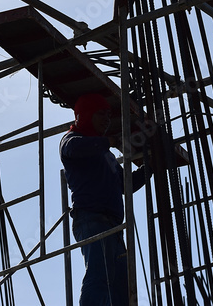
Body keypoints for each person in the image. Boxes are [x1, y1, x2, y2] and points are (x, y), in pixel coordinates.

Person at [60, 93, 149, 306]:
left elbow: (124, 185)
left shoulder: (106, 154)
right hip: (92, 219)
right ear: (86, 115)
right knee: (100, 275)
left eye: (109, 115)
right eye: (101, 113)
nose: (107, 119)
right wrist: (105, 142)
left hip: (114, 226)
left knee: (120, 284)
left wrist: (148, 169)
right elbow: (74, 150)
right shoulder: (72, 139)